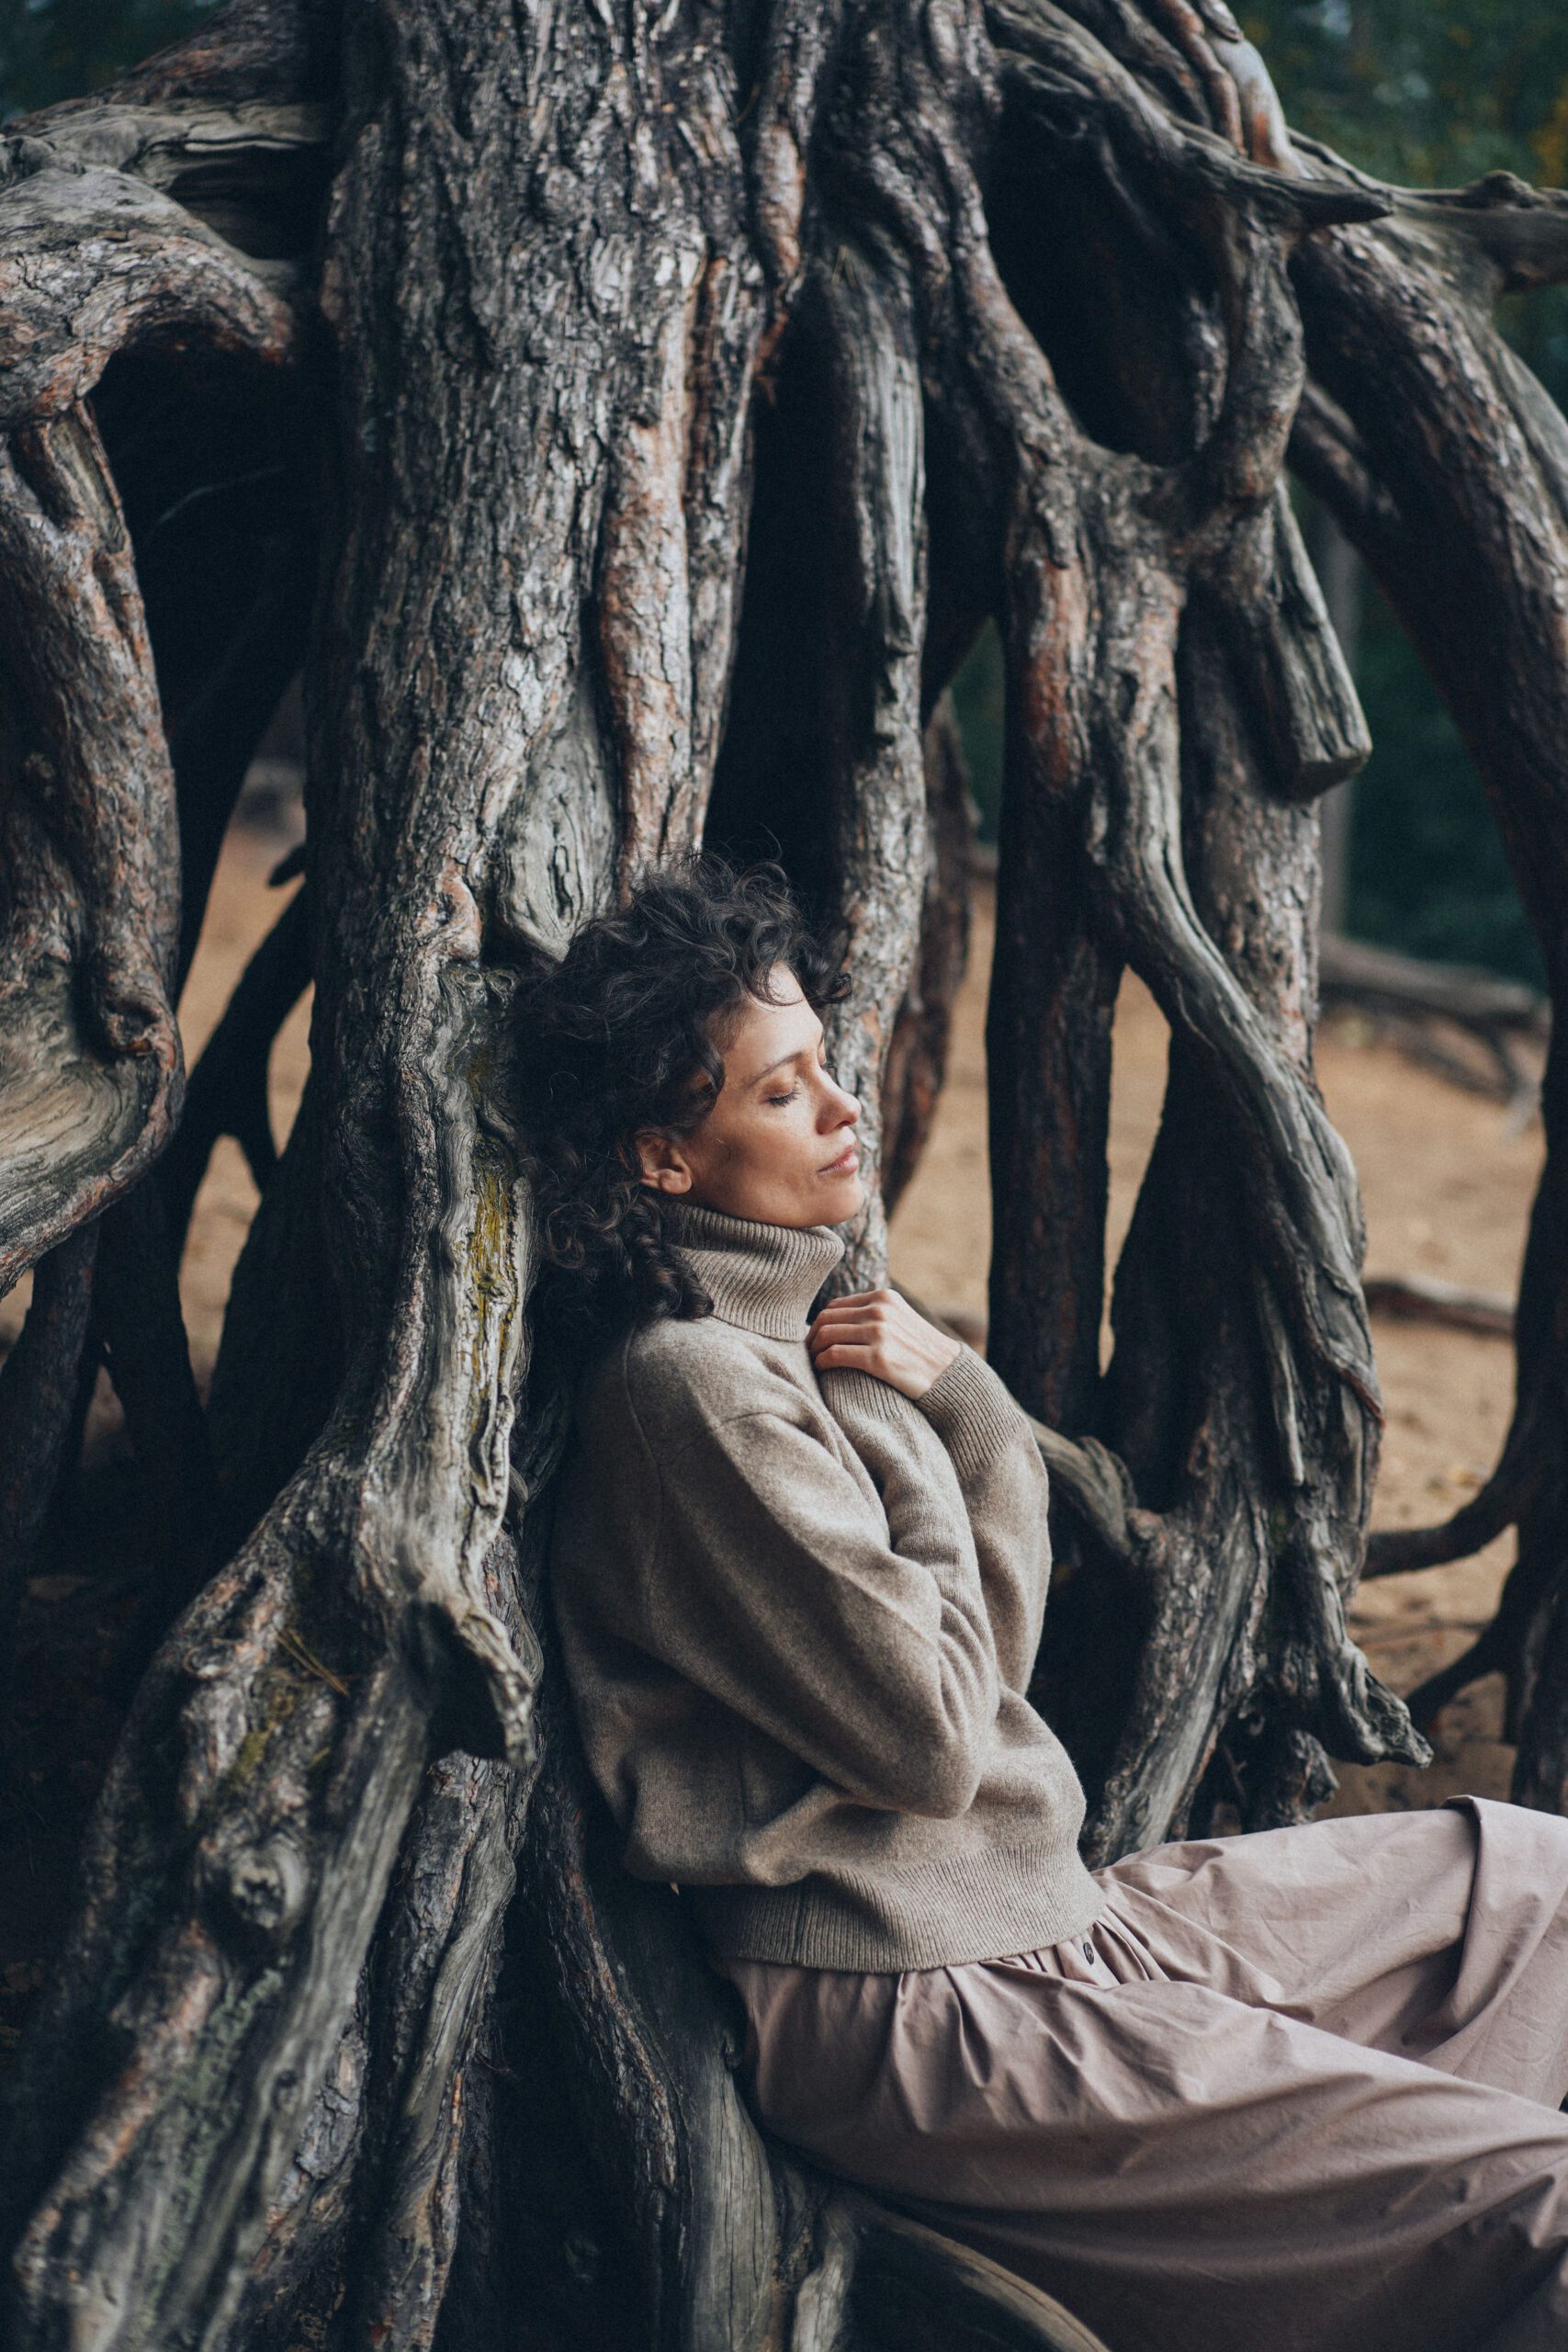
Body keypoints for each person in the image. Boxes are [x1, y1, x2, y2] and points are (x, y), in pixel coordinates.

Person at [525, 854, 1568, 2352]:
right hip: (925, 2007)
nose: (840, 1107)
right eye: (779, 1092)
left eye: (828, 1064)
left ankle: (1381, 2233)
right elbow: (939, 1735)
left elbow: (962, 1683)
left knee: (1530, 1891)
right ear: (661, 1160)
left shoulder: (801, 1328)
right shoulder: (692, 1393)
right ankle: (1417, 2227)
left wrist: (952, 1404)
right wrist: (967, 1423)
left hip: (1059, 1921)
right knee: (1540, 2203)